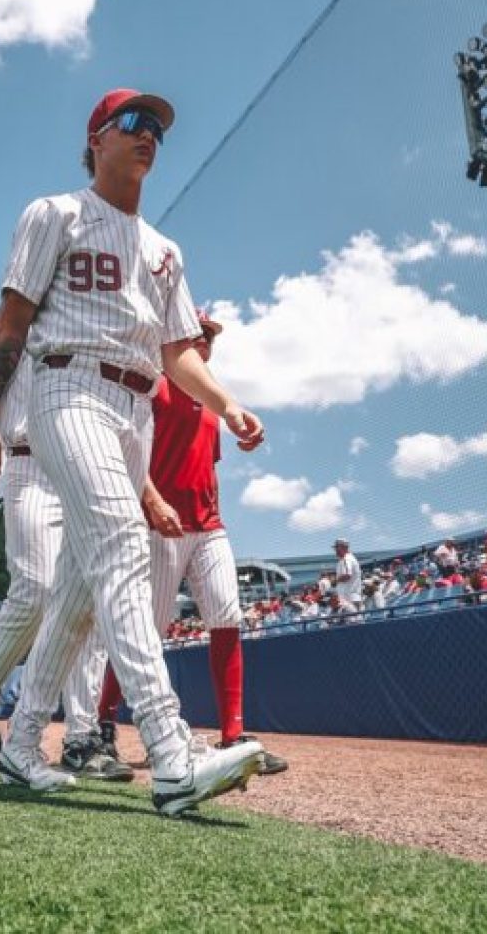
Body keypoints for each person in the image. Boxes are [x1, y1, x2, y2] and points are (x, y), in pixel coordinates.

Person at [0, 87, 267, 817]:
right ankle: (170, 754)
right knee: (124, 551)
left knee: (72, 591)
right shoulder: (56, 214)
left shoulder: (164, 252)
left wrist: (225, 402)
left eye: (157, 126)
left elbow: (176, 352)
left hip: (137, 412)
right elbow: (9, 329)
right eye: (132, 122)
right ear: (94, 140)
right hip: (67, 389)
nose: (149, 134)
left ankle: (21, 743)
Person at [92, 309, 286, 774]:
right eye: (198, 333)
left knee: (227, 615)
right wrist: (153, 504)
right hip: (160, 526)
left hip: (208, 525)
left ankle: (234, 734)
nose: (206, 341)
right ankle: (100, 723)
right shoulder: (155, 386)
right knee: (146, 633)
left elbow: (208, 465)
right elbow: (127, 456)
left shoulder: (213, 401)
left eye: (211, 336)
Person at [0, 355, 128, 781]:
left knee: (85, 601)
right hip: (29, 462)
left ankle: (80, 740)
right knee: (36, 587)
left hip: (88, 462)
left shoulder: (91, 318)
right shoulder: (21, 315)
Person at [333, 538, 362, 614]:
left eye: (337, 547)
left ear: (344, 547)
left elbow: (347, 575)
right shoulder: (348, 558)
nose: (335, 550)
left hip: (349, 598)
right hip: (350, 597)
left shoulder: (347, 559)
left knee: (354, 622)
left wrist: (334, 580)